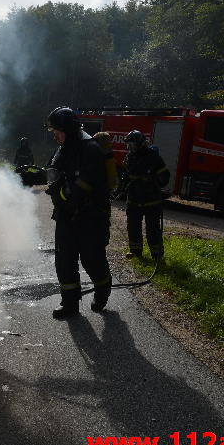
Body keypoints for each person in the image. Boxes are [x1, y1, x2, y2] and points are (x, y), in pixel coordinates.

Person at [45, 106, 112, 319]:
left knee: (92, 259)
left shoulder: (90, 148)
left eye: (57, 130)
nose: (54, 135)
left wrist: (61, 193)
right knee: (64, 261)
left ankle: (103, 287)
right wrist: (35, 176)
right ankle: (70, 304)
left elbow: (83, 187)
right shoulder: (63, 148)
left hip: (90, 217)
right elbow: (54, 173)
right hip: (66, 216)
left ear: (69, 129)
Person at [120, 130, 170, 261]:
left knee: (153, 229)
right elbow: (126, 175)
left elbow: (165, 177)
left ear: (140, 144)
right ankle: (136, 252)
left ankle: (157, 256)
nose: (129, 148)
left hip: (151, 201)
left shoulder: (153, 157)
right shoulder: (130, 157)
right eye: (128, 145)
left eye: (132, 145)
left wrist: (153, 181)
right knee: (133, 227)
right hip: (133, 200)